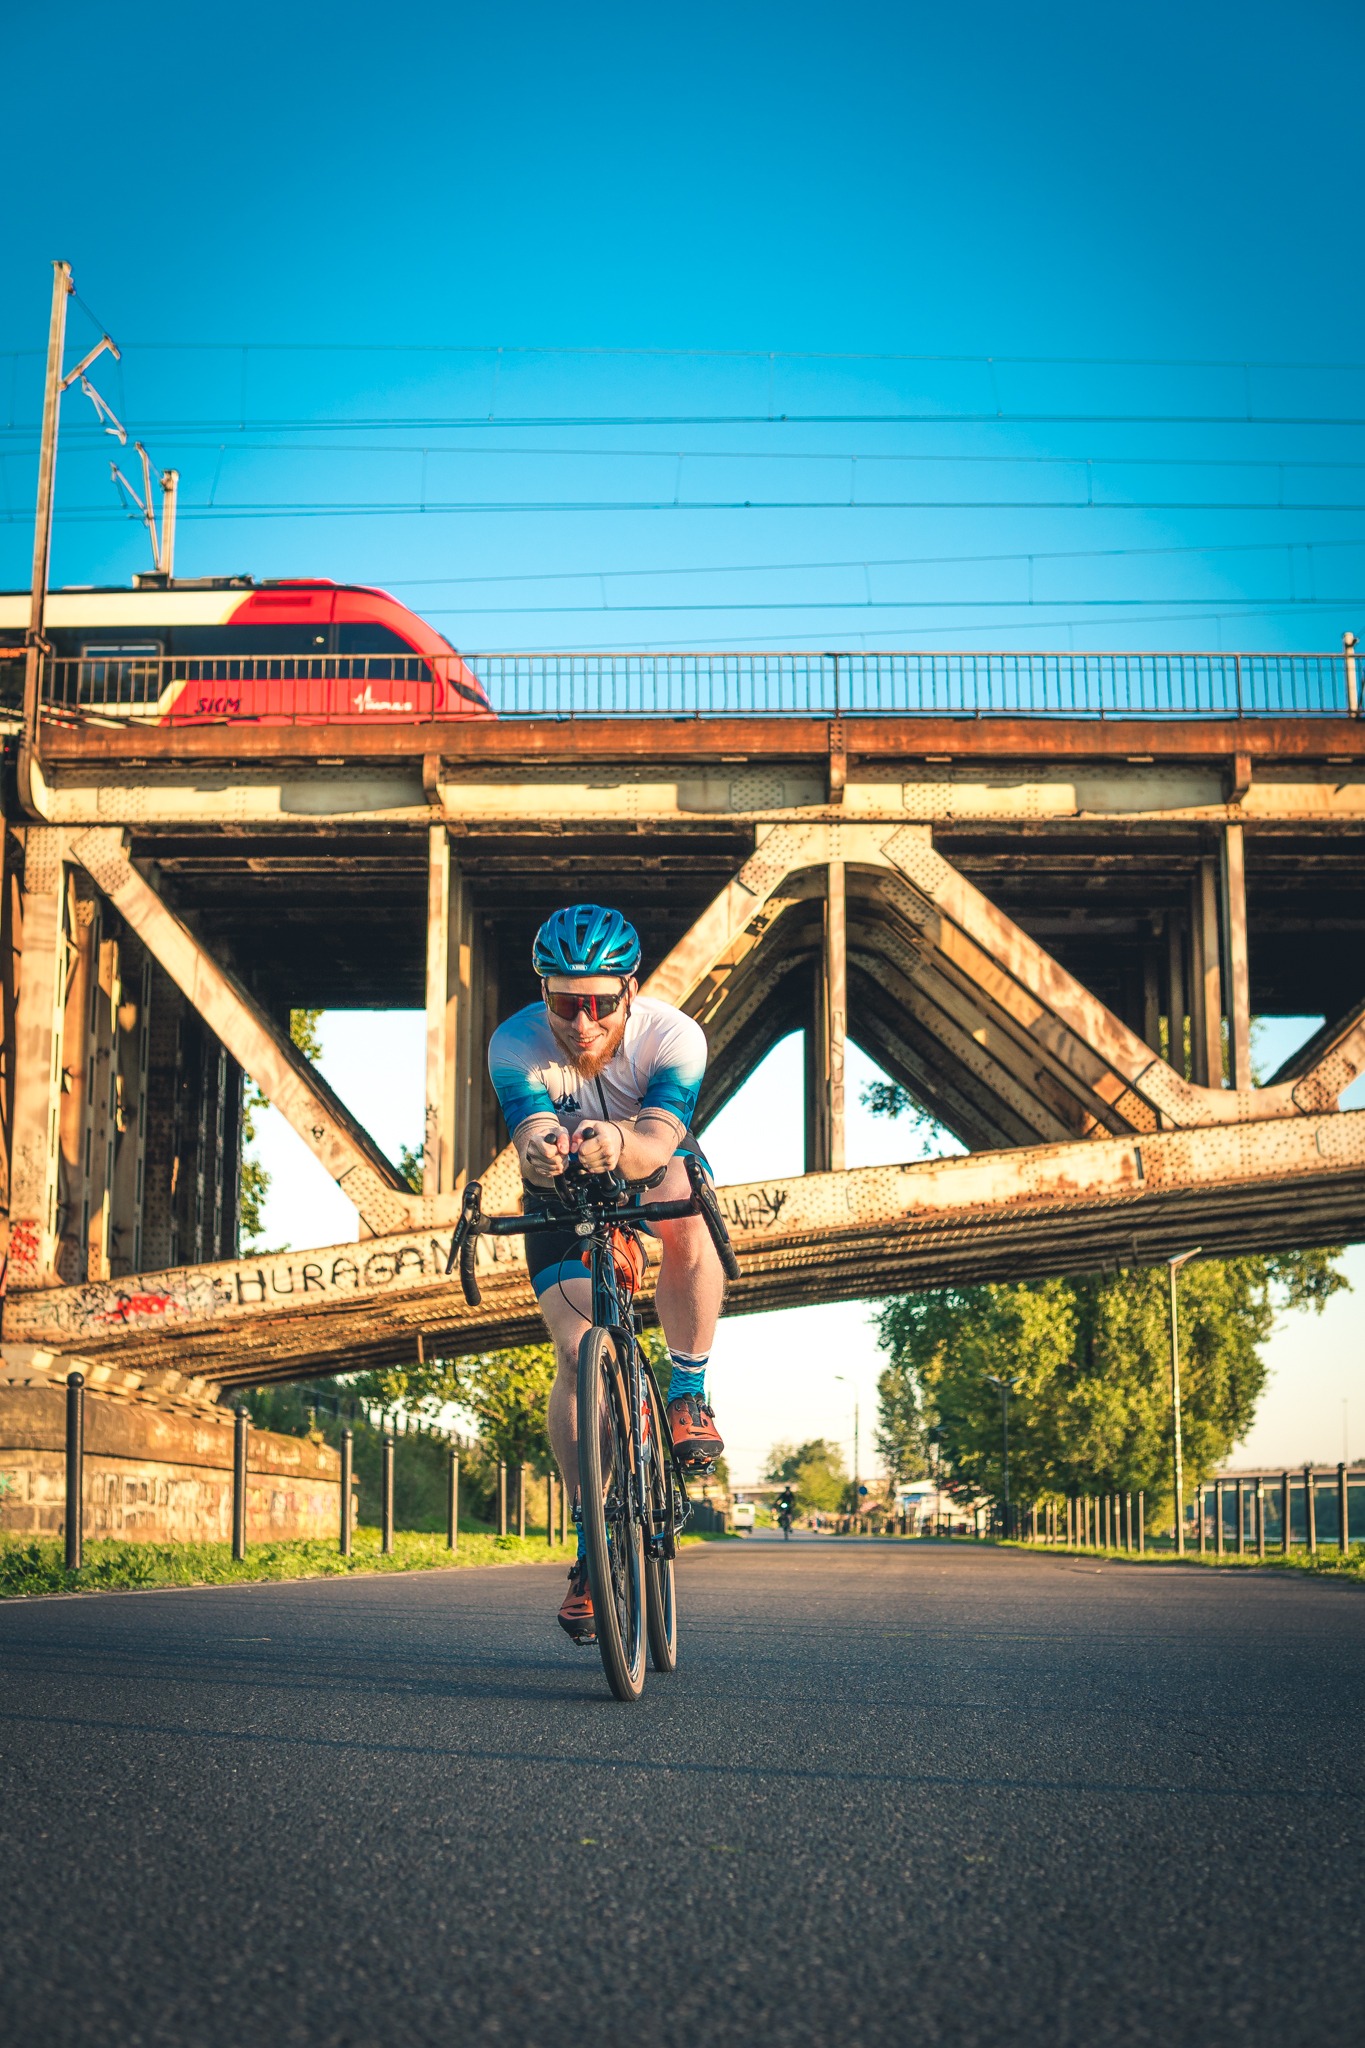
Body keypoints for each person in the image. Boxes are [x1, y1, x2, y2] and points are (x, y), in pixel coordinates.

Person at [487, 903, 727, 1645]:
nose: (583, 1023)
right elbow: (531, 1131)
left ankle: (686, 1391)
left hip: (648, 1164)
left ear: (630, 990)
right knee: (574, 1351)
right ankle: (591, 1537)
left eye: (599, 1003)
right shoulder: (514, 1042)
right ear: (545, 995)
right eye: (565, 1004)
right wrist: (538, 1151)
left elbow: (657, 1138)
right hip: (564, 1191)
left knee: (687, 1206)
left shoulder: (673, 1037)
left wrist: (618, 1142)